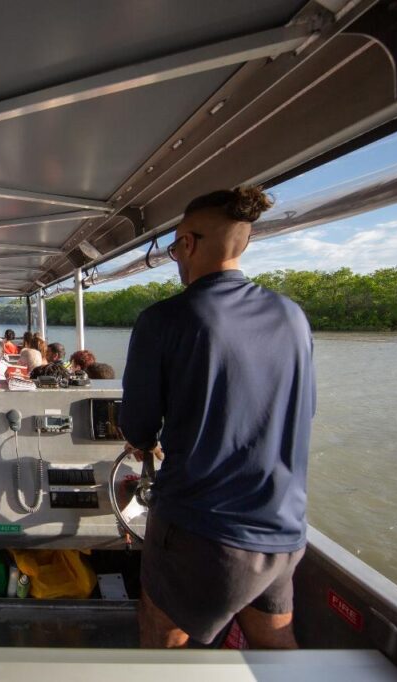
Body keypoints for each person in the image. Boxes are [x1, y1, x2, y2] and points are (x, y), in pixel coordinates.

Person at [119, 186, 315, 650]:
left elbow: (139, 427)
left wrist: (144, 441)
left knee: (163, 637)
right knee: (276, 648)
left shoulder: (166, 319)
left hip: (202, 531)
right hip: (283, 528)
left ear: (187, 243)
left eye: (173, 249)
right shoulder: (293, 317)